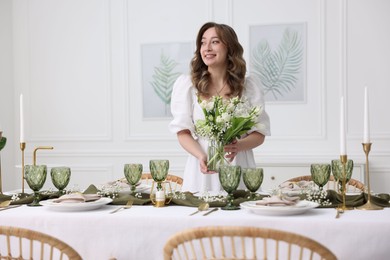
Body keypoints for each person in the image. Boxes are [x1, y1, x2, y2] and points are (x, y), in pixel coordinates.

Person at [169, 22, 271, 193]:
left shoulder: (249, 86)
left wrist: (238, 145)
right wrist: (202, 156)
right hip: (202, 169)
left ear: (229, 48)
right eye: (203, 42)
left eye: (215, 42)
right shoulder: (187, 85)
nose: (207, 48)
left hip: (239, 167)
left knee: (241, 218)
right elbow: (182, 132)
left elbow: (259, 134)